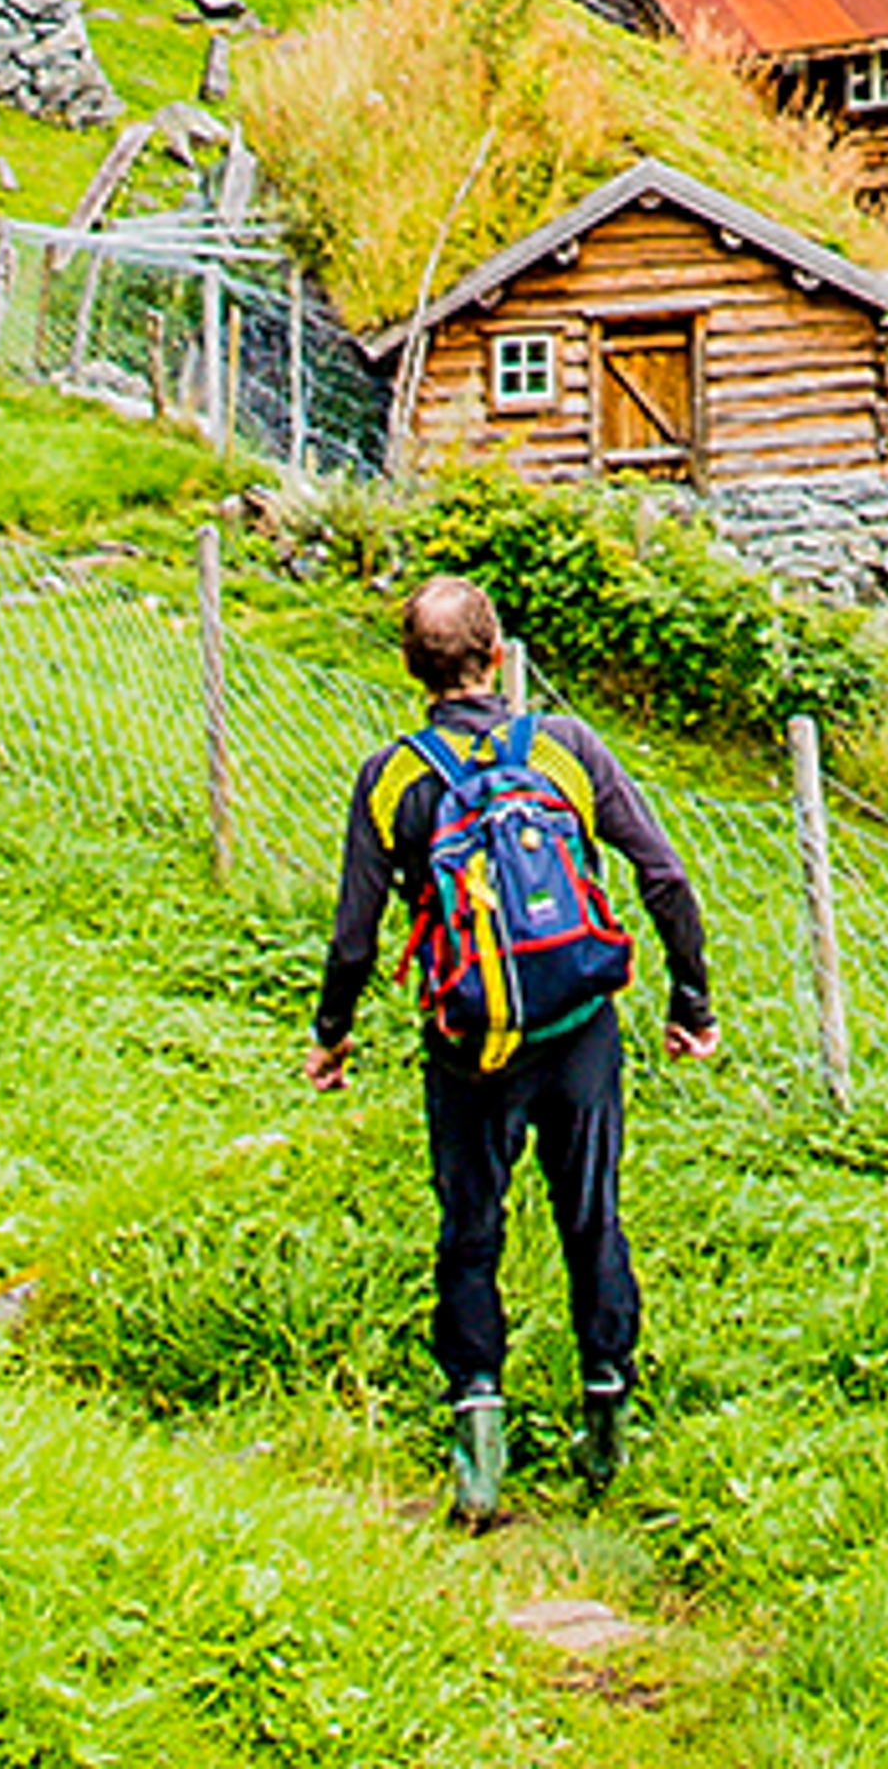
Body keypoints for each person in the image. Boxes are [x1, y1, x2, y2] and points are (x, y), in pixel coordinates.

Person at [306, 573, 717, 1526]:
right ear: (498, 657)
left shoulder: (393, 778)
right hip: (579, 1030)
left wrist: (333, 1036)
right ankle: (606, 1429)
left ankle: (479, 1456)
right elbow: (664, 876)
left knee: (470, 1233)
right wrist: (689, 999)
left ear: (414, 670)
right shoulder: (566, 749)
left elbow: (355, 941)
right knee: (591, 1219)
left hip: (467, 1048)